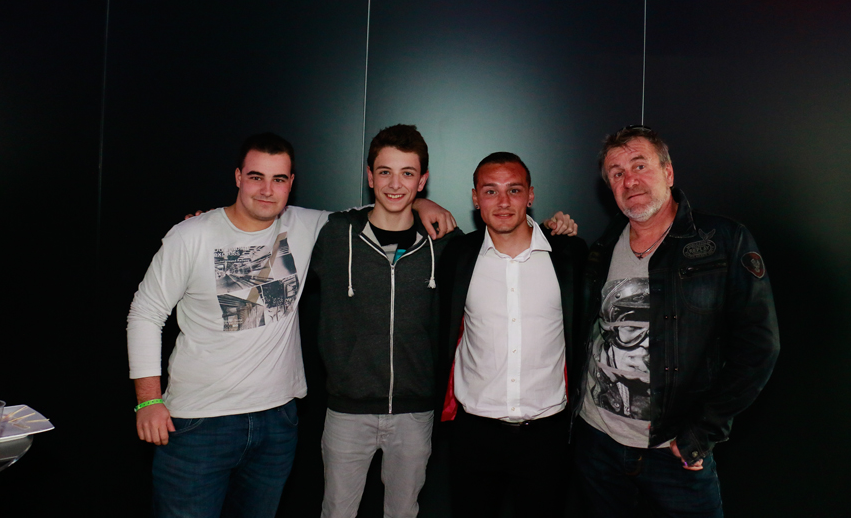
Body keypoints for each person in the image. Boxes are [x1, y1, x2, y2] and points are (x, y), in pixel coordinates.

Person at [126, 132, 456, 518]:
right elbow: (145, 313)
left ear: (291, 183)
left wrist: (422, 203)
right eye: (256, 177)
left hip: (277, 421)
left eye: (278, 179)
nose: (267, 190)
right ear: (238, 177)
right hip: (200, 422)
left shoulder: (310, 226)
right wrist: (149, 400)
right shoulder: (192, 235)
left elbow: (385, 207)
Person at [573, 125, 780, 518]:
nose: (629, 180)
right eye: (617, 173)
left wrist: (702, 433)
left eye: (640, 165)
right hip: (597, 443)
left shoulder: (723, 241)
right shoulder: (602, 248)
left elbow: (759, 347)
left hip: (673, 454)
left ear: (668, 172)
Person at [309, 125, 461, 518]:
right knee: (337, 513)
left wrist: (555, 232)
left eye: (407, 173)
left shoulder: (443, 243)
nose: (395, 184)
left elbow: (503, 241)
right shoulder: (335, 234)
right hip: (347, 411)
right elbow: (268, 222)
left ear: (422, 180)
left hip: (414, 412)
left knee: (403, 513)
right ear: (369, 176)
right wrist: (210, 223)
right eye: (385, 172)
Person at [437, 152, 587, 518]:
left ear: (530, 195)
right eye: (490, 191)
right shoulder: (457, 255)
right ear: (475, 198)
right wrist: (421, 202)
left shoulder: (569, 254)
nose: (503, 202)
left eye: (514, 190)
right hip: (473, 435)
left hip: (547, 436)